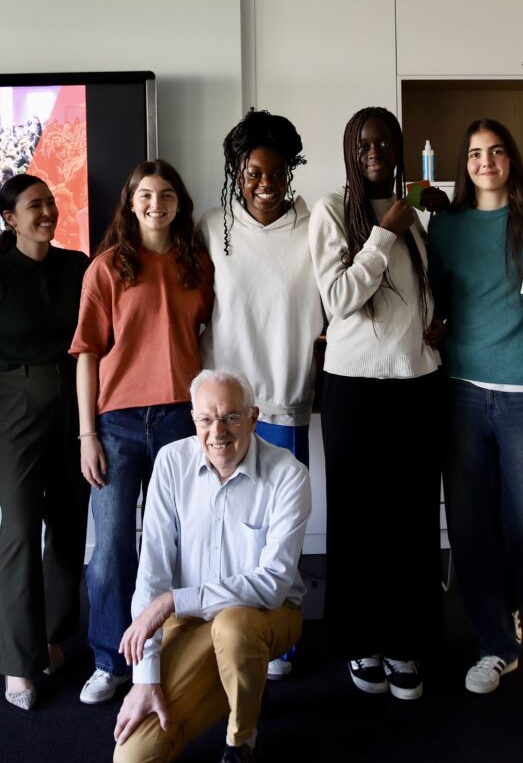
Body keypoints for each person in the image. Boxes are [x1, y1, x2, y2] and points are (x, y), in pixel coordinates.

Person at [307, 106, 444, 700]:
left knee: (412, 521)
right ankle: (361, 642)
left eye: (386, 140)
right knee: (360, 521)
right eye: (364, 142)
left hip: (417, 381)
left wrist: (436, 321)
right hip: (356, 386)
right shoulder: (333, 210)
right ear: (349, 148)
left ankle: (404, 641)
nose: (376, 150)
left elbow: (417, 294)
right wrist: (385, 230)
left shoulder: (415, 209)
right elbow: (338, 298)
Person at [70, 160, 215, 706]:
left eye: (168, 194)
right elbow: (86, 356)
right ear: (131, 203)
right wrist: (87, 435)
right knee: (111, 551)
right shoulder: (106, 269)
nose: (158, 204)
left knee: (182, 545)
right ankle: (111, 658)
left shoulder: (194, 265)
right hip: (118, 425)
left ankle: (179, 651)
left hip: (182, 419)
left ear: (180, 202)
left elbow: (206, 331)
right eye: (146, 195)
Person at [112, 370, 310, 763]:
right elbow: (151, 570)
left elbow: (272, 584)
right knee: (134, 757)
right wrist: (145, 678)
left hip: (265, 616)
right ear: (193, 419)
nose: (217, 431)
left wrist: (174, 601)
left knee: (233, 628)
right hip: (188, 622)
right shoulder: (171, 463)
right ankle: (244, 680)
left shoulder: (289, 475)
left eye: (231, 417)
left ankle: (242, 739)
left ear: (253, 418)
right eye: (206, 419)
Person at [426, 118, 523, 695]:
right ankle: (497, 644)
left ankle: (502, 604)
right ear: (464, 162)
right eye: (475, 152)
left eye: (497, 150)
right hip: (461, 389)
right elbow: (436, 298)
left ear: (512, 157)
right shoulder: (446, 224)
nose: (486, 161)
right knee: (471, 526)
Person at [197, 109, 322, 680]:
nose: (265, 184)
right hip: (223, 411)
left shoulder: (314, 223)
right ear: (236, 173)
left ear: (290, 170)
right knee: (227, 533)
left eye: (275, 172)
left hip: (284, 403)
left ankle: (281, 640)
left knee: (279, 534)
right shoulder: (211, 227)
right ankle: (230, 632)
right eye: (252, 173)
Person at [0, 173, 91, 710]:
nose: (47, 212)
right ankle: (17, 663)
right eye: (34, 206)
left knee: (67, 523)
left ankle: (53, 639)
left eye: (50, 203)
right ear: (10, 218)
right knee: (19, 530)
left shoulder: (78, 266)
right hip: (17, 401)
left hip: (78, 402)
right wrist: (17, 384)